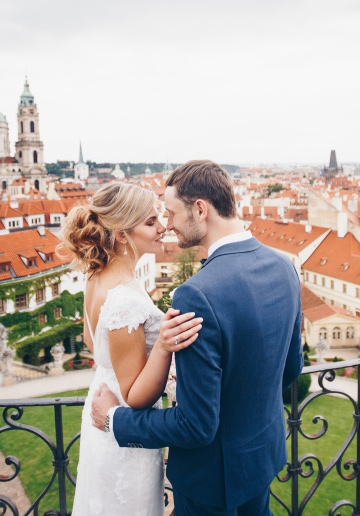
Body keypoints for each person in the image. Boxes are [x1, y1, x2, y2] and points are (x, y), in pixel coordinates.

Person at [91, 160, 304, 516]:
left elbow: (195, 425)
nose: (168, 225)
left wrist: (114, 418)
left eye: (172, 213)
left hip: (212, 480)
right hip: (261, 458)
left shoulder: (197, 294)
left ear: (200, 209)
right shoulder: (284, 266)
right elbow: (290, 369)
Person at [57, 181, 203, 516]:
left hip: (103, 405)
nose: (162, 226)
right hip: (121, 423)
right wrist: (164, 346)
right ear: (122, 234)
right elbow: (137, 395)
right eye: (150, 222)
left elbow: (92, 342)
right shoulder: (122, 296)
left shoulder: (96, 275)